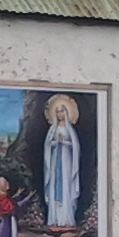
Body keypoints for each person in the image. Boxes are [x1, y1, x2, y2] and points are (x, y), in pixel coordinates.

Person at [42, 94, 82, 229]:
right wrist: (54, 143)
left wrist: (63, 142)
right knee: (55, 183)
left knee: (65, 184)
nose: (60, 114)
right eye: (57, 112)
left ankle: (66, 219)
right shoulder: (52, 129)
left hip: (66, 159)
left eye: (62, 111)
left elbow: (75, 146)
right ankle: (55, 218)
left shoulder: (70, 130)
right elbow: (48, 145)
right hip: (54, 160)